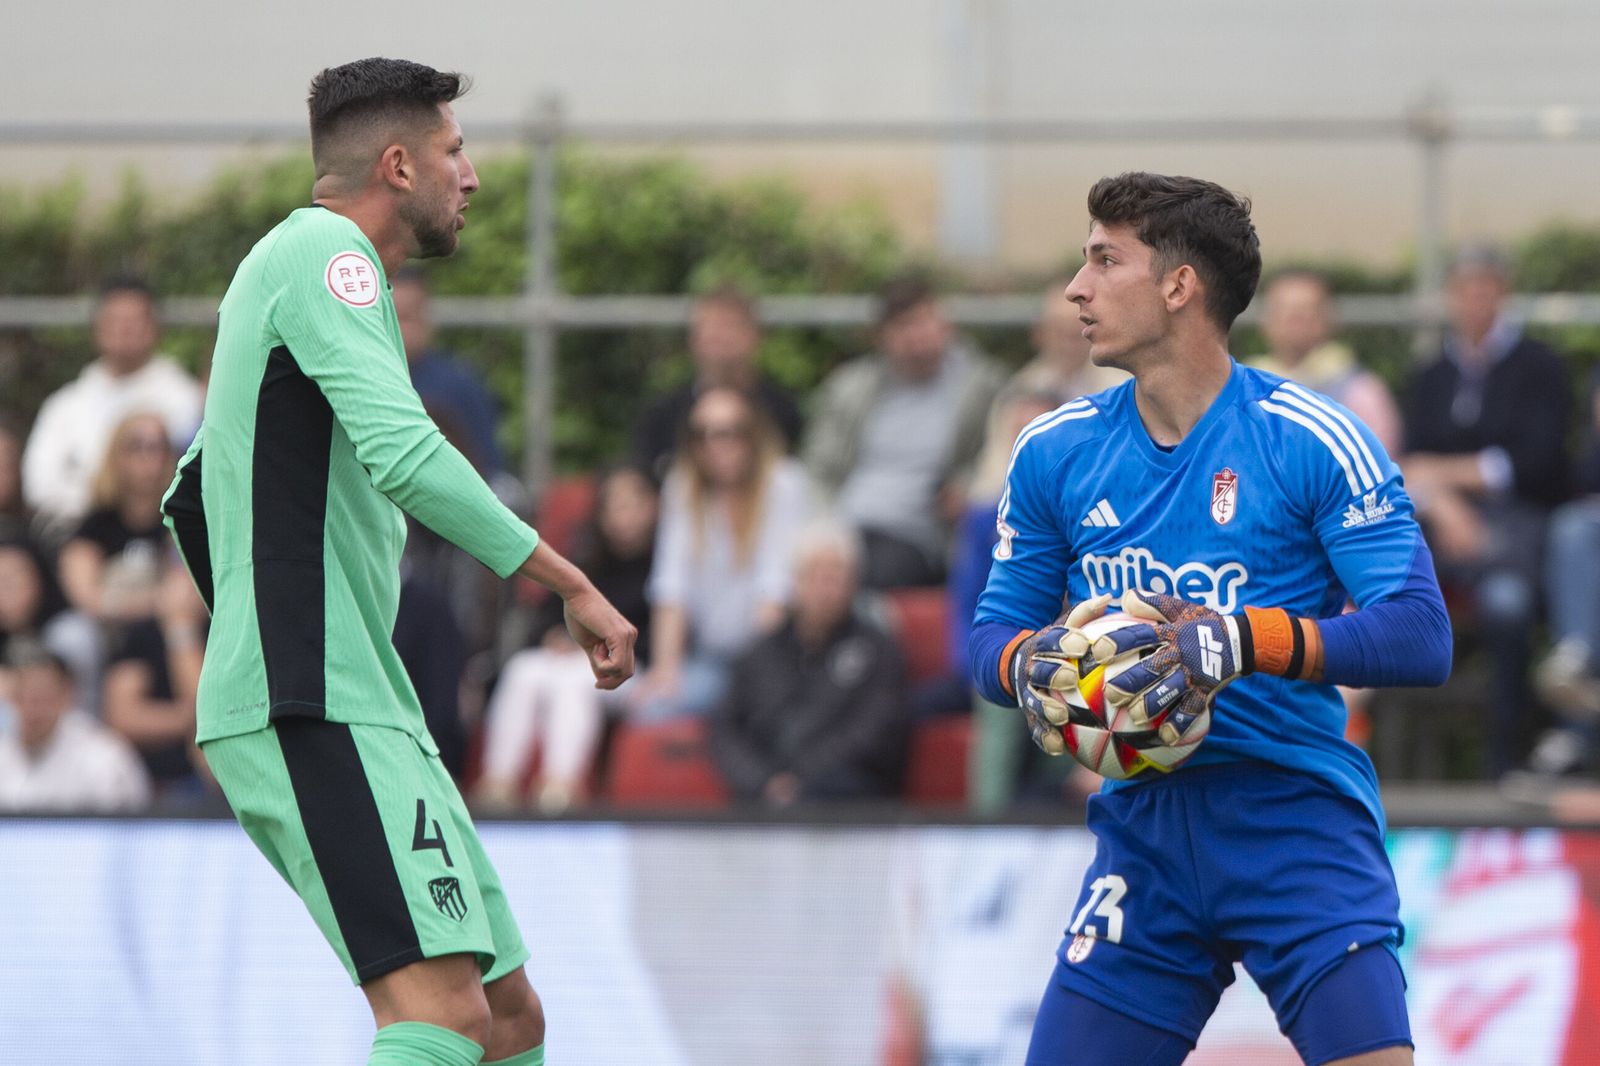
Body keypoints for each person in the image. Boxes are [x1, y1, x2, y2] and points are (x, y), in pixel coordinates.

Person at [161, 59, 636, 1066]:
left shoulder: (297, 281)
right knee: (439, 1016)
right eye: (454, 151)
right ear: (397, 165)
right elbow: (408, 452)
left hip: (355, 694)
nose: (471, 176)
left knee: (508, 1021)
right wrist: (573, 580)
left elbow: (192, 491)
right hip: (314, 697)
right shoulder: (327, 254)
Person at [969, 172, 1452, 1065]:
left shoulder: (1311, 436)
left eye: (1104, 260)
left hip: (1294, 823)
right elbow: (989, 641)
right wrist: (1040, 666)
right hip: (1144, 838)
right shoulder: (1052, 450)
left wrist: (1239, 641)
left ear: (1179, 286)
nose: (1077, 288)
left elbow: (1421, 633)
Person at [1402, 244, 1572, 777]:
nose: (1475, 297)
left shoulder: (1541, 366)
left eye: (1486, 285)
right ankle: (1396, 765)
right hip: (1441, 532)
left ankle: (1506, 760)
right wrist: (1448, 501)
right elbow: (1405, 463)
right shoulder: (1429, 374)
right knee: (1389, 599)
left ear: (1503, 291)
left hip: (1516, 535)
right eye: (1465, 287)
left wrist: (1442, 473)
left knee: (1507, 606)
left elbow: (1537, 462)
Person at [476, 464, 658, 812]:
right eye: (614, 507)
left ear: (654, 506)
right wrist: (554, 637)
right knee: (523, 669)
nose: (624, 517)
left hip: (631, 670)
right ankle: (497, 786)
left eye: (633, 505)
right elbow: (549, 613)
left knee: (577, 681)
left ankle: (560, 790)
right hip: (571, 660)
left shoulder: (665, 562)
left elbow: (653, 634)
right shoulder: (586, 556)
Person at [804, 273, 1004, 588]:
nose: (915, 336)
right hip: (845, 528)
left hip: (919, 537)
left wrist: (965, 487)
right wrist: (825, 527)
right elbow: (819, 469)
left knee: (869, 576)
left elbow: (999, 454)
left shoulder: (979, 387)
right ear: (882, 337)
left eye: (922, 322)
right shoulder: (853, 388)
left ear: (944, 323)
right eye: (902, 326)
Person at [635, 386, 811, 720]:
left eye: (730, 432)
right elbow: (671, 585)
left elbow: (775, 588)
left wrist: (756, 682)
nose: (716, 445)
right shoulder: (683, 486)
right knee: (651, 709)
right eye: (702, 435)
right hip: (710, 657)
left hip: (777, 659)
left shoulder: (784, 483)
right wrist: (666, 670)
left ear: (753, 435)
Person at [707, 519, 909, 805]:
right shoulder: (759, 653)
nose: (824, 588)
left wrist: (802, 777)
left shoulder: (879, 651)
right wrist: (762, 781)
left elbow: (875, 731)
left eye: (835, 576)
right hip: (761, 797)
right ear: (795, 581)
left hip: (848, 799)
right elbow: (725, 730)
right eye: (814, 575)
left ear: (853, 583)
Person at [21, 276, 203, 538]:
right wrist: (105, 499)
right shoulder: (65, 404)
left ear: (154, 327)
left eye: (134, 321)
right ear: (97, 328)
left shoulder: (185, 398)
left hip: (165, 538)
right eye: (115, 321)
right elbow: (39, 484)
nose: (125, 330)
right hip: (78, 536)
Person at [632, 285, 804, 481]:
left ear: (756, 336)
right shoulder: (661, 418)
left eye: (731, 326)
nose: (721, 337)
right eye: (712, 327)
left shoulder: (783, 413)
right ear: (693, 338)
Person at [1248, 269, 1402, 456]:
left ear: (1329, 319)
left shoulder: (1362, 391)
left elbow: (1377, 463)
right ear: (1265, 321)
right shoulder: (1244, 386)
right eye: (1284, 310)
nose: (1295, 321)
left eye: (1307, 311)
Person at [0, 642, 151, 812]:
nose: (30, 709)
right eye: (19, 696)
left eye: (40, 698)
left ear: (66, 694)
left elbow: (127, 828)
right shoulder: (4, 743)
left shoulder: (104, 756)